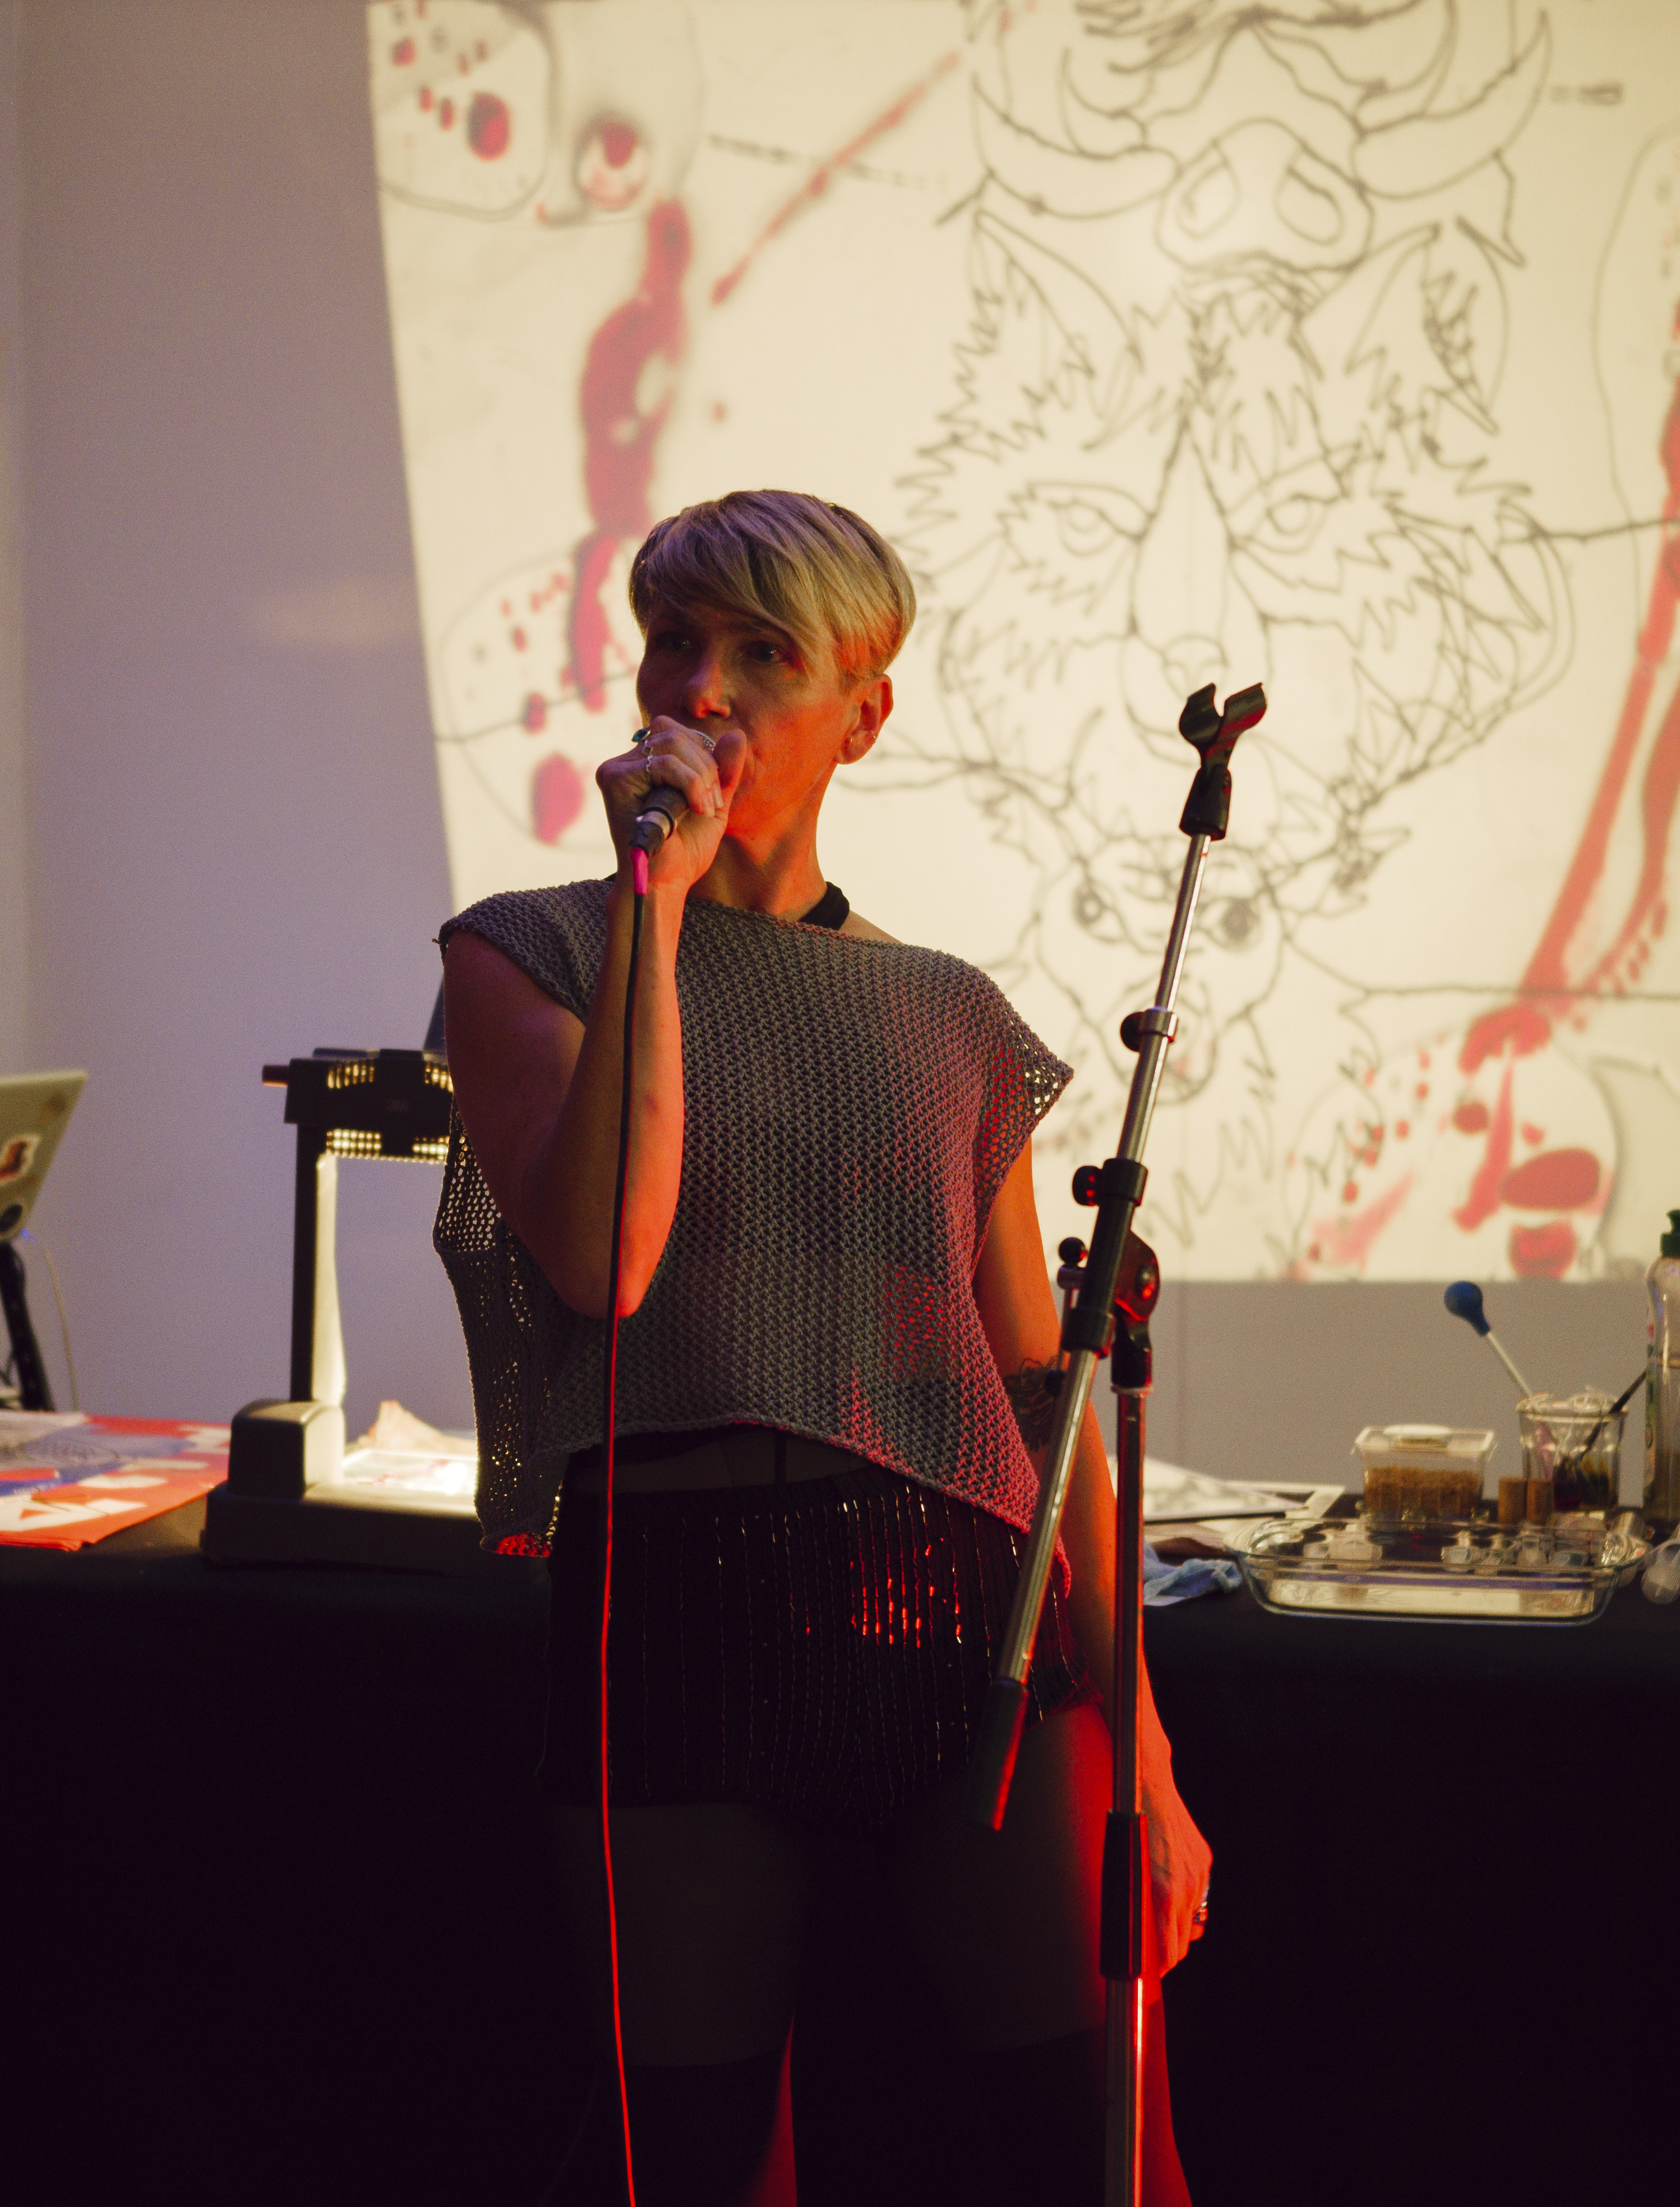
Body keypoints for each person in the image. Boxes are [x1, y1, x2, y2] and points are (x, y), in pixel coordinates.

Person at [436, 491, 1210, 2203]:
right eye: (673, 642)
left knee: (1098, 2154)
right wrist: (654, 904)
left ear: (861, 714)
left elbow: (1037, 1392)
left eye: (761, 653)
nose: (700, 687)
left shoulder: (947, 1010)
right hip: (674, 1612)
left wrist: (1145, 1747)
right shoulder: (528, 952)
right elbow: (605, 1259)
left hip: (962, 1615)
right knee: (691, 2166)